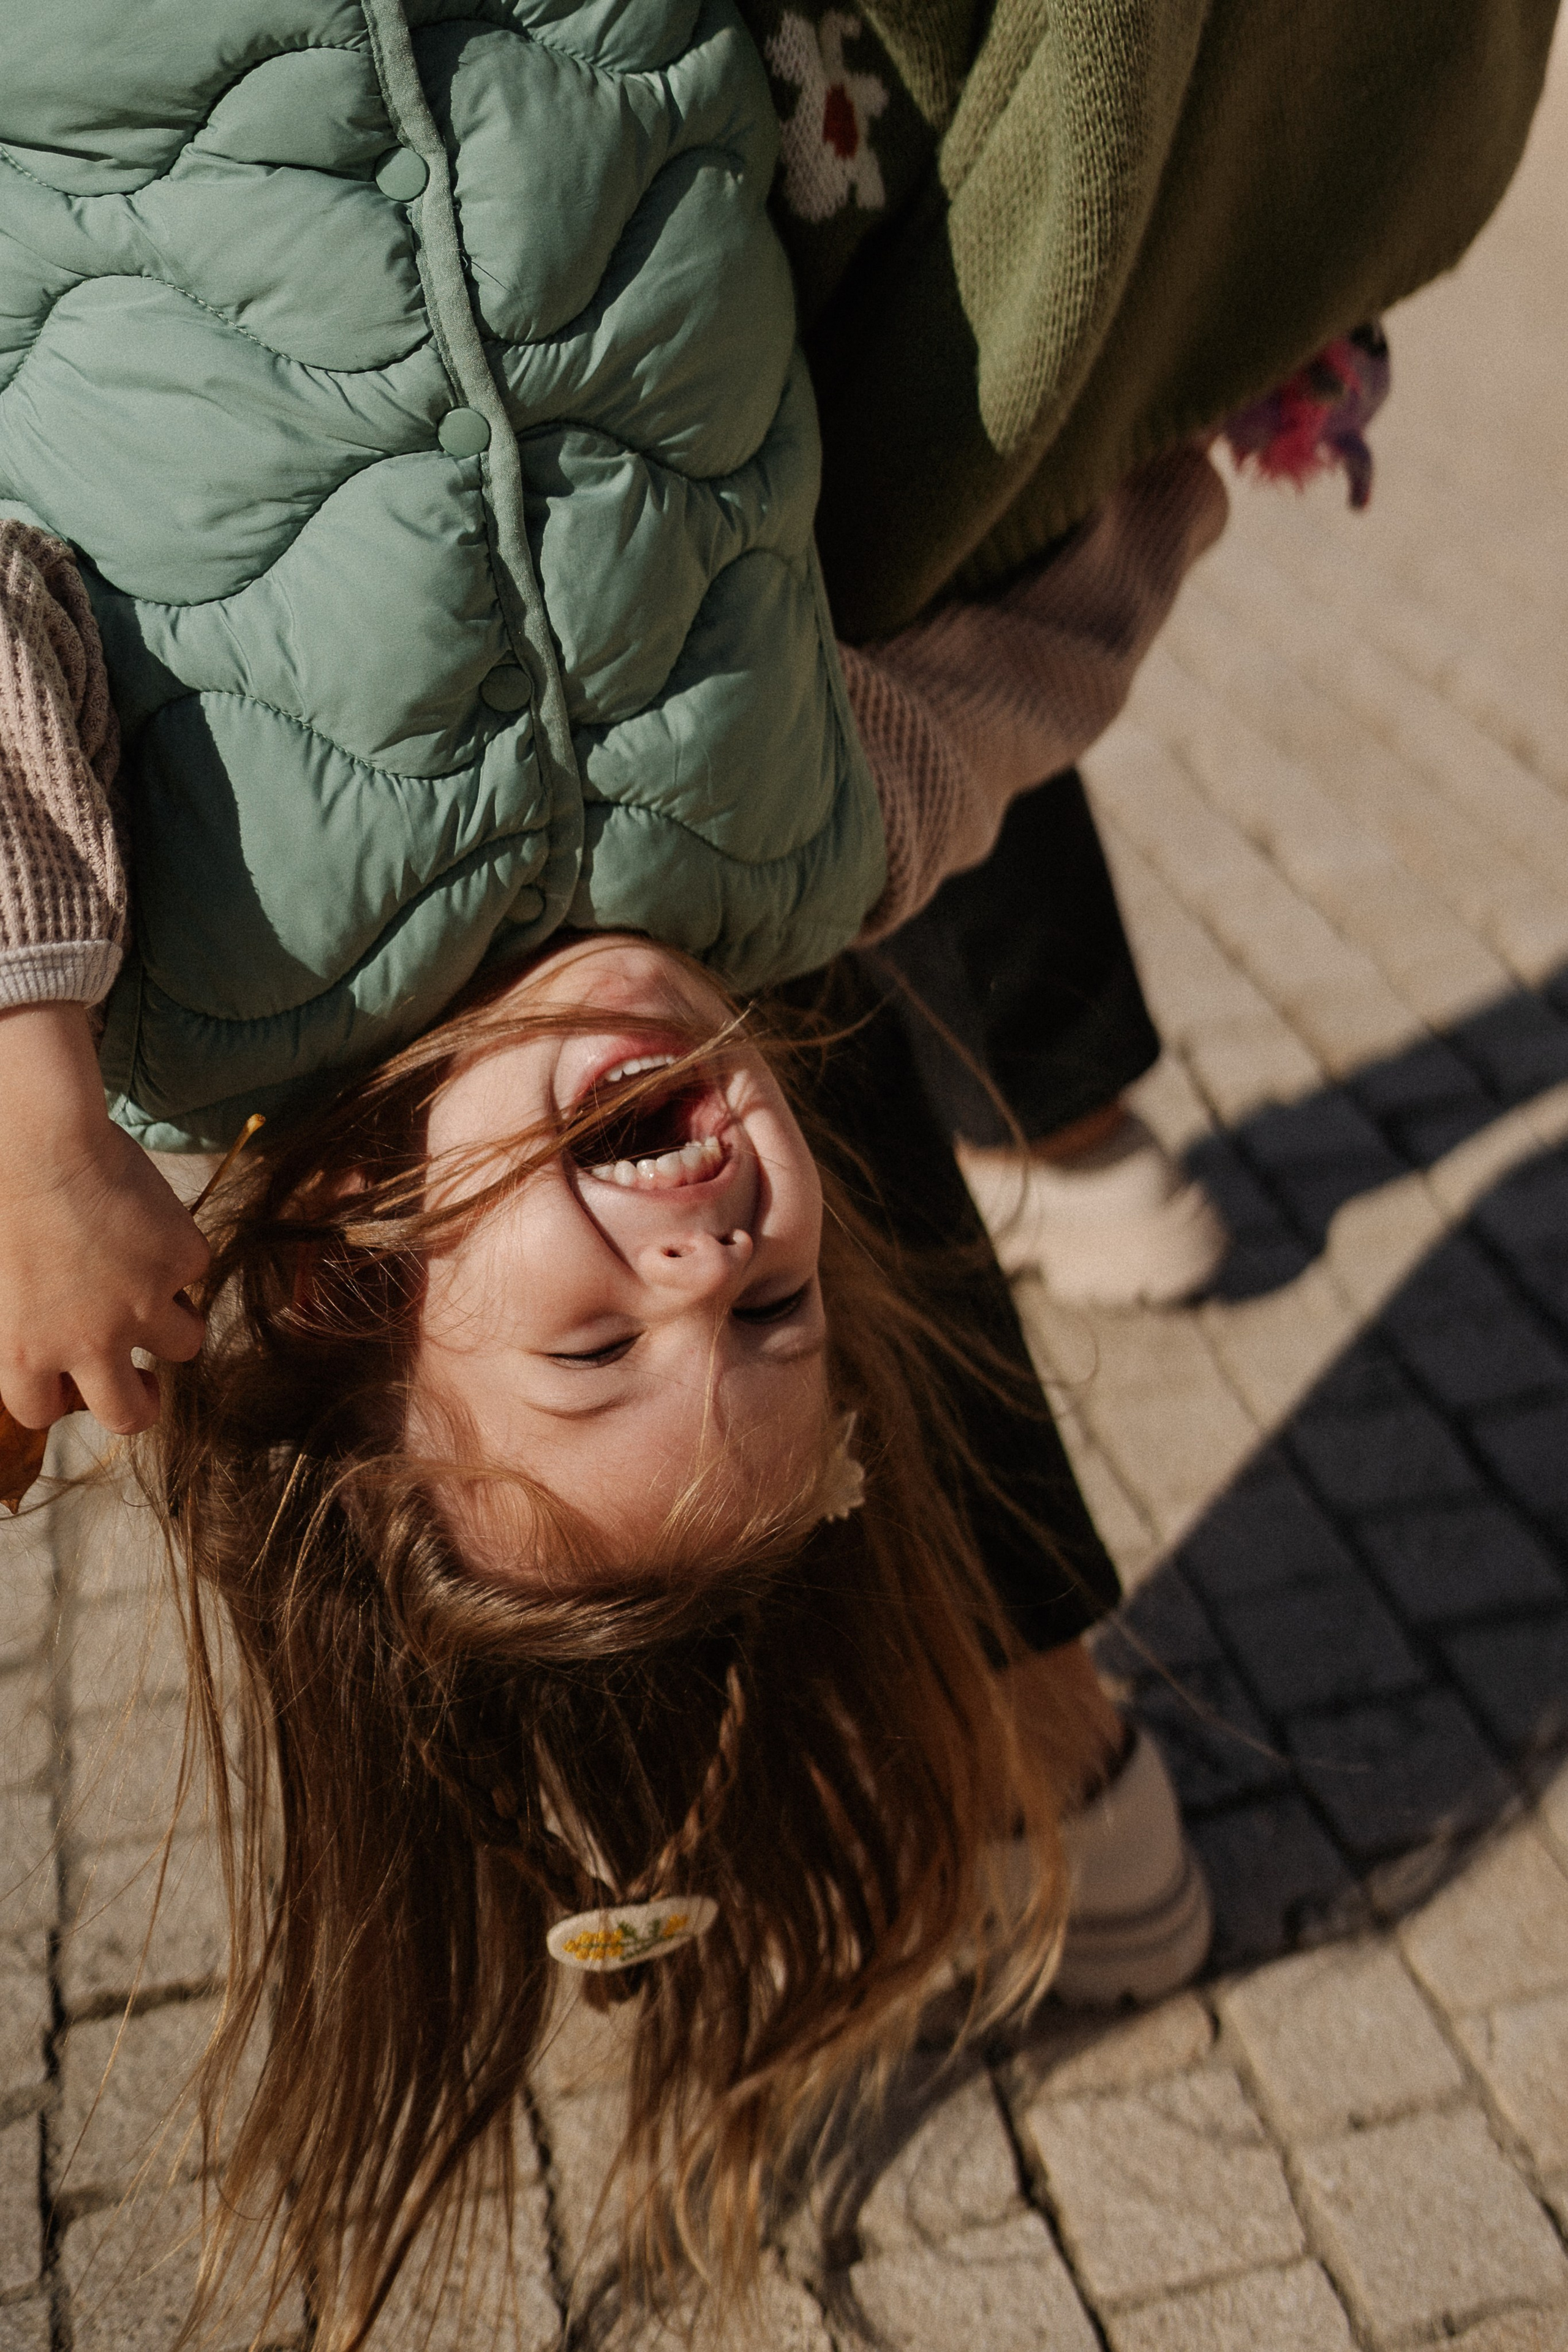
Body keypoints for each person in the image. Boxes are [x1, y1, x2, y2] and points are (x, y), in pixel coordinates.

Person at [0, 0, 1553, 2336]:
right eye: (775, 1311)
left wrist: (29, 1082)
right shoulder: (795, 873)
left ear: (348, 1285)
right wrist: (1207, 371)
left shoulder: (204, 993)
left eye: (603, 1334)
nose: (714, 1248)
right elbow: (1025, 677)